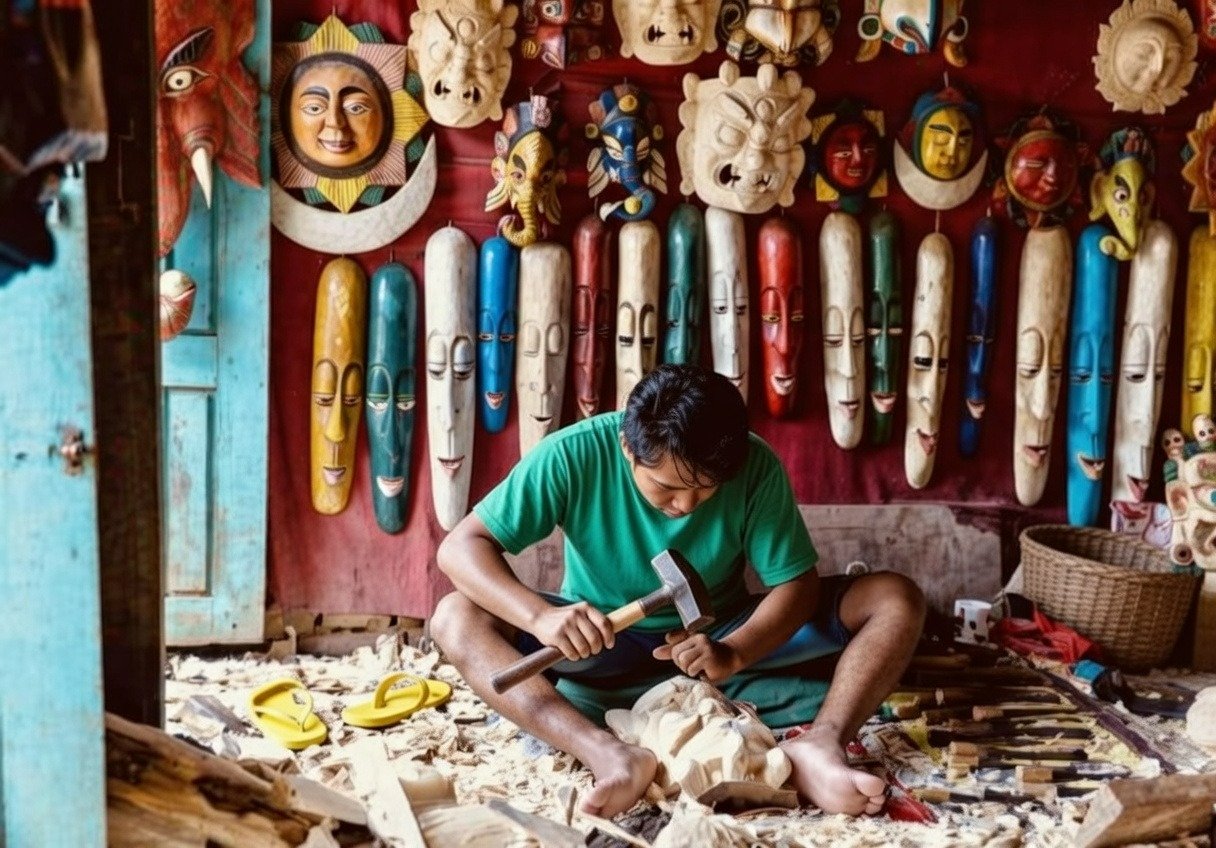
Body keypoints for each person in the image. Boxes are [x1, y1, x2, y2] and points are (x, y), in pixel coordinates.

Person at [431, 364, 926, 818]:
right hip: (598, 648)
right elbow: (461, 548)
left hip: (714, 648)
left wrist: (735, 650)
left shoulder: (753, 463)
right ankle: (610, 754)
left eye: (706, 489)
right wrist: (538, 617)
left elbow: (797, 585)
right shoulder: (573, 453)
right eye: (666, 487)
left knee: (894, 598)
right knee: (454, 616)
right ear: (629, 448)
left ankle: (822, 745)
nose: (686, 504)